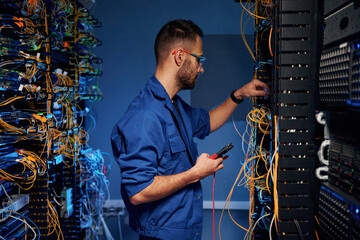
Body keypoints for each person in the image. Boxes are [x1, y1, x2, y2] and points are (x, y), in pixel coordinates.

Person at [111, 19, 270, 240]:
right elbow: (139, 192)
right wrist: (196, 174)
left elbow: (207, 121)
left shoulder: (174, 105)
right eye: (199, 59)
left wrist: (239, 95)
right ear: (179, 56)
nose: (201, 68)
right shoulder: (145, 116)